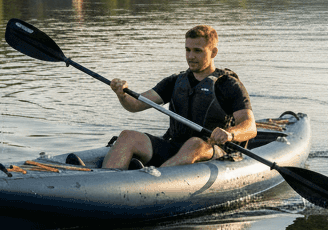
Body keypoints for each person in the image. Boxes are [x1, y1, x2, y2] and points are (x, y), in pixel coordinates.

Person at [102, 24, 256, 169]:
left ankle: (154, 182)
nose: (190, 56)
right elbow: (135, 105)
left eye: (197, 50)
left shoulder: (229, 85)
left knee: (194, 143)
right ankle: (106, 184)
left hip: (213, 152)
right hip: (175, 147)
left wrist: (230, 134)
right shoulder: (175, 81)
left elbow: (250, 127)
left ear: (213, 52)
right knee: (127, 136)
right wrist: (122, 94)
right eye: (187, 50)